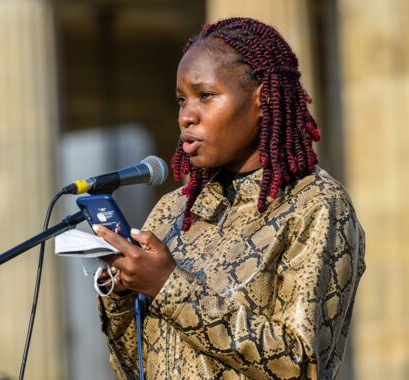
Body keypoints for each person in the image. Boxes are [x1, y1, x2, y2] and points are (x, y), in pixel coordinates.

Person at [93, 17, 365, 379]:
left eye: (205, 95)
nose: (186, 116)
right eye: (180, 100)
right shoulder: (172, 211)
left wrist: (168, 285)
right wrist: (122, 295)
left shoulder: (315, 205)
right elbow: (136, 367)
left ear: (262, 99)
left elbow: (300, 365)